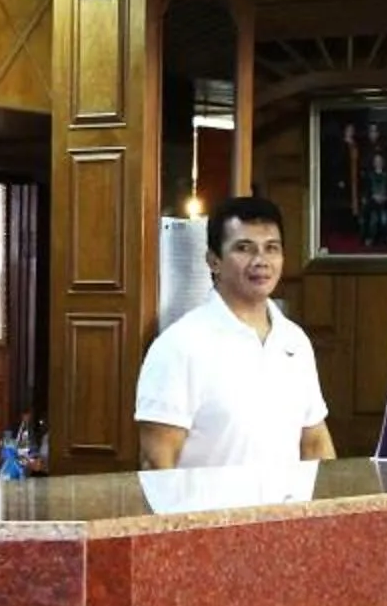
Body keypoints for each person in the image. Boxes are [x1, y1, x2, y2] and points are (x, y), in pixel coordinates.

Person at [134, 194, 334, 469]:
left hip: (285, 499)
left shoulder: (294, 341)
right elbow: (158, 462)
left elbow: (315, 442)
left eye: (271, 248)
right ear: (213, 261)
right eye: (244, 248)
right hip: (205, 500)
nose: (261, 260)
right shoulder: (179, 345)